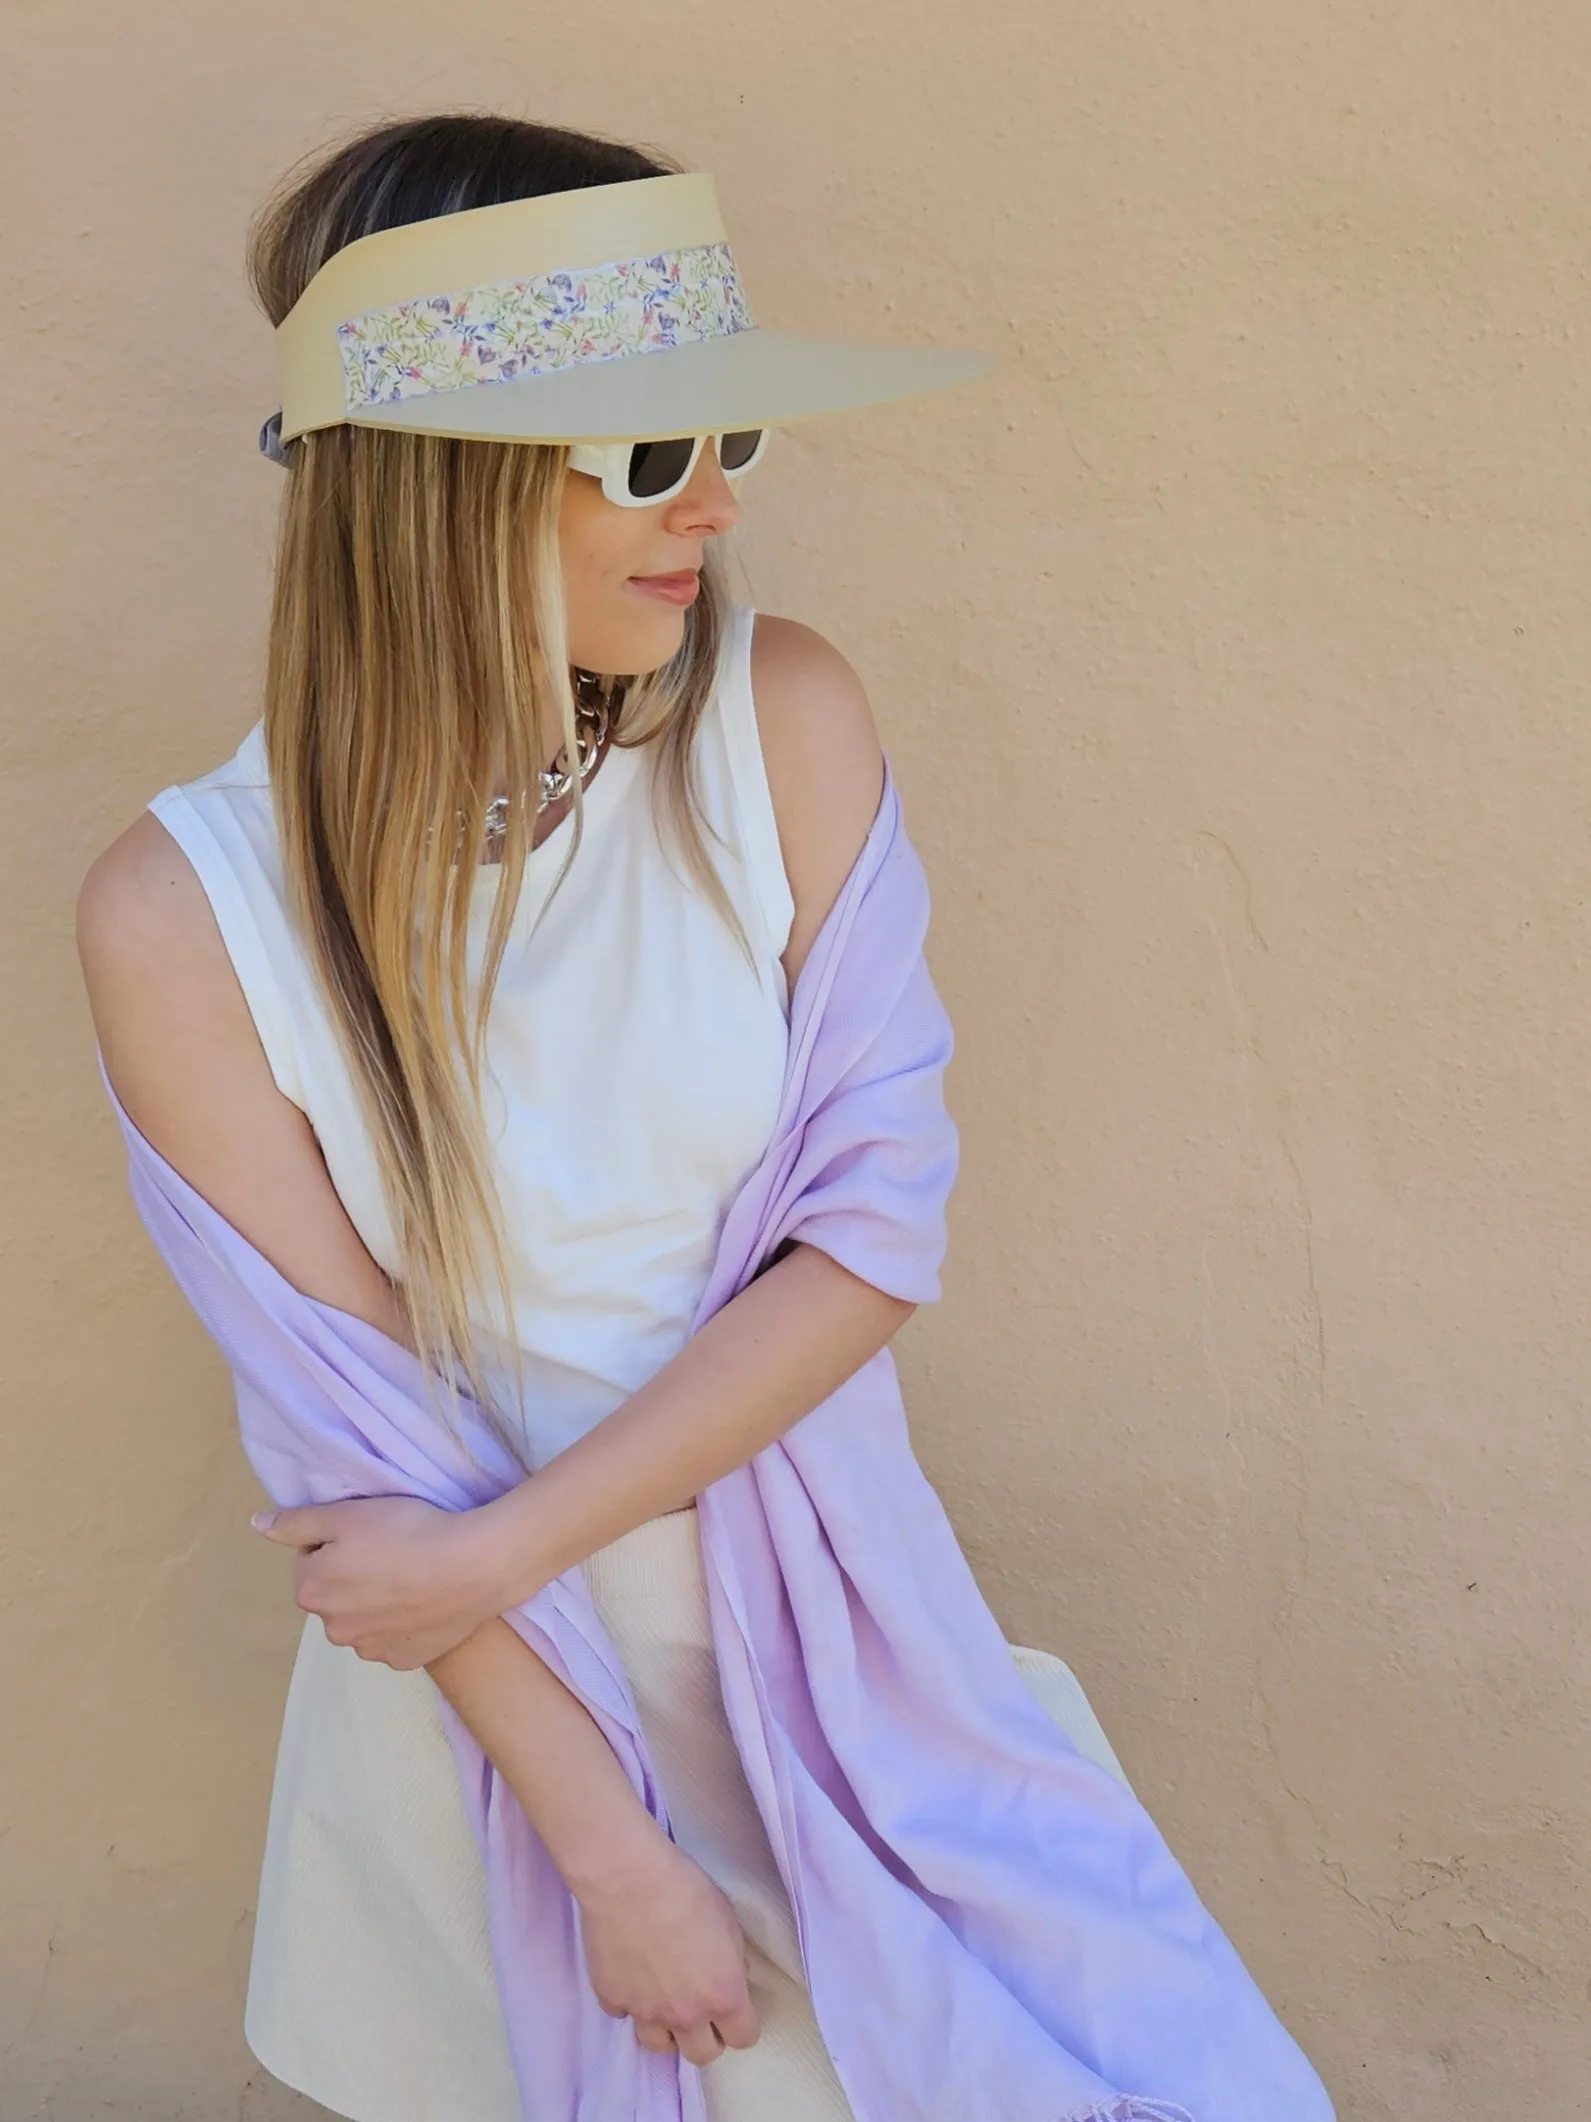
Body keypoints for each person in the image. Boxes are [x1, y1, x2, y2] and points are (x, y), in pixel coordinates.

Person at [79, 113, 1334, 2122]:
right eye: (653, 455)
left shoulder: (781, 728)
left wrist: (492, 1551)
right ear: (442, 485)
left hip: (839, 1667)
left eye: (732, 440)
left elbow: (867, 1242)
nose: (716, 511)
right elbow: (359, 1436)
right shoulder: (185, 914)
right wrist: (610, 1851)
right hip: (497, 1742)